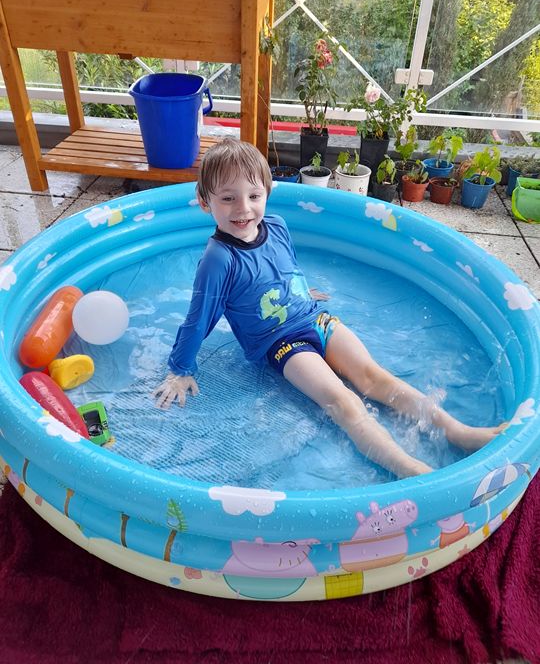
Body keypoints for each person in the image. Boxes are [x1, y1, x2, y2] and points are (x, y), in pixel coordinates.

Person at [152, 138, 505, 479]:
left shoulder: (276, 226)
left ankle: (458, 431)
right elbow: (198, 317)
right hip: (283, 345)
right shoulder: (218, 259)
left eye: (254, 195)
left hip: (315, 318)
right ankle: (409, 469)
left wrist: (299, 292)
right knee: (343, 400)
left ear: (268, 192)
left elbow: (286, 266)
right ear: (204, 201)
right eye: (228, 198)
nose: (243, 208)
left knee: (374, 377)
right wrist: (180, 368)